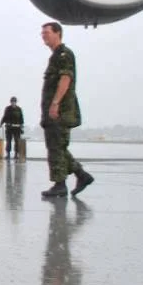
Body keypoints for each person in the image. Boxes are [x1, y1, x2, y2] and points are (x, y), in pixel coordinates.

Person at [39, 22, 95, 198]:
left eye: (47, 32)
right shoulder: (55, 56)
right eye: (42, 33)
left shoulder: (64, 54)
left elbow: (65, 79)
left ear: (58, 33)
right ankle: (81, 175)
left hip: (60, 111)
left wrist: (55, 103)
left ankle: (60, 185)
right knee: (58, 147)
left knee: (56, 148)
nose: (43, 36)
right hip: (54, 111)